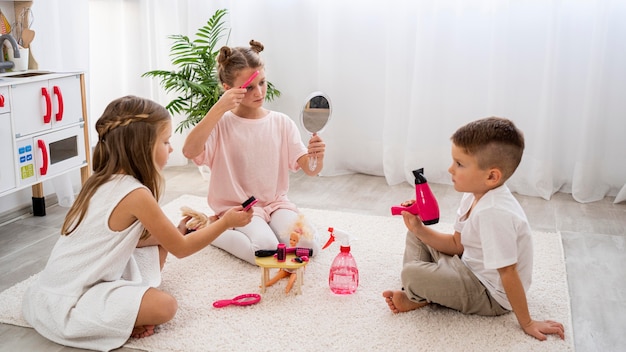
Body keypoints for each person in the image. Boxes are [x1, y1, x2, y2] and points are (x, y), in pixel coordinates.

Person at [22, 96, 253, 351]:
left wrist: (175, 232)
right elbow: (182, 249)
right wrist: (225, 222)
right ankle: (119, 322)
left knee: (153, 252)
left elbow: (133, 238)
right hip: (72, 301)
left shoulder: (99, 180)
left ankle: (123, 316)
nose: (171, 148)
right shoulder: (136, 194)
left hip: (48, 292)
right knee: (166, 306)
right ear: (143, 147)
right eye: (165, 142)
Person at [382, 117, 565, 341]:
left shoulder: (495, 213)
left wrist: (526, 322)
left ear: (491, 176)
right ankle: (427, 288)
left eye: (459, 164)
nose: (450, 168)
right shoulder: (473, 194)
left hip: (488, 294)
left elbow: (508, 273)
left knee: (411, 274)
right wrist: (419, 228)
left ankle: (420, 295)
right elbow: (457, 245)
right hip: (465, 264)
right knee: (416, 235)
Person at [182, 40, 325, 265]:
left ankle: (271, 227)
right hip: (238, 208)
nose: (259, 92)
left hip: (276, 204)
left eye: (262, 82)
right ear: (229, 89)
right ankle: (211, 228)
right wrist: (219, 108)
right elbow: (189, 151)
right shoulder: (221, 124)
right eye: (249, 87)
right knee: (264, 251)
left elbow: (311, 169)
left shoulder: (281, 122)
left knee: (308, 247)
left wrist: (317, 156)